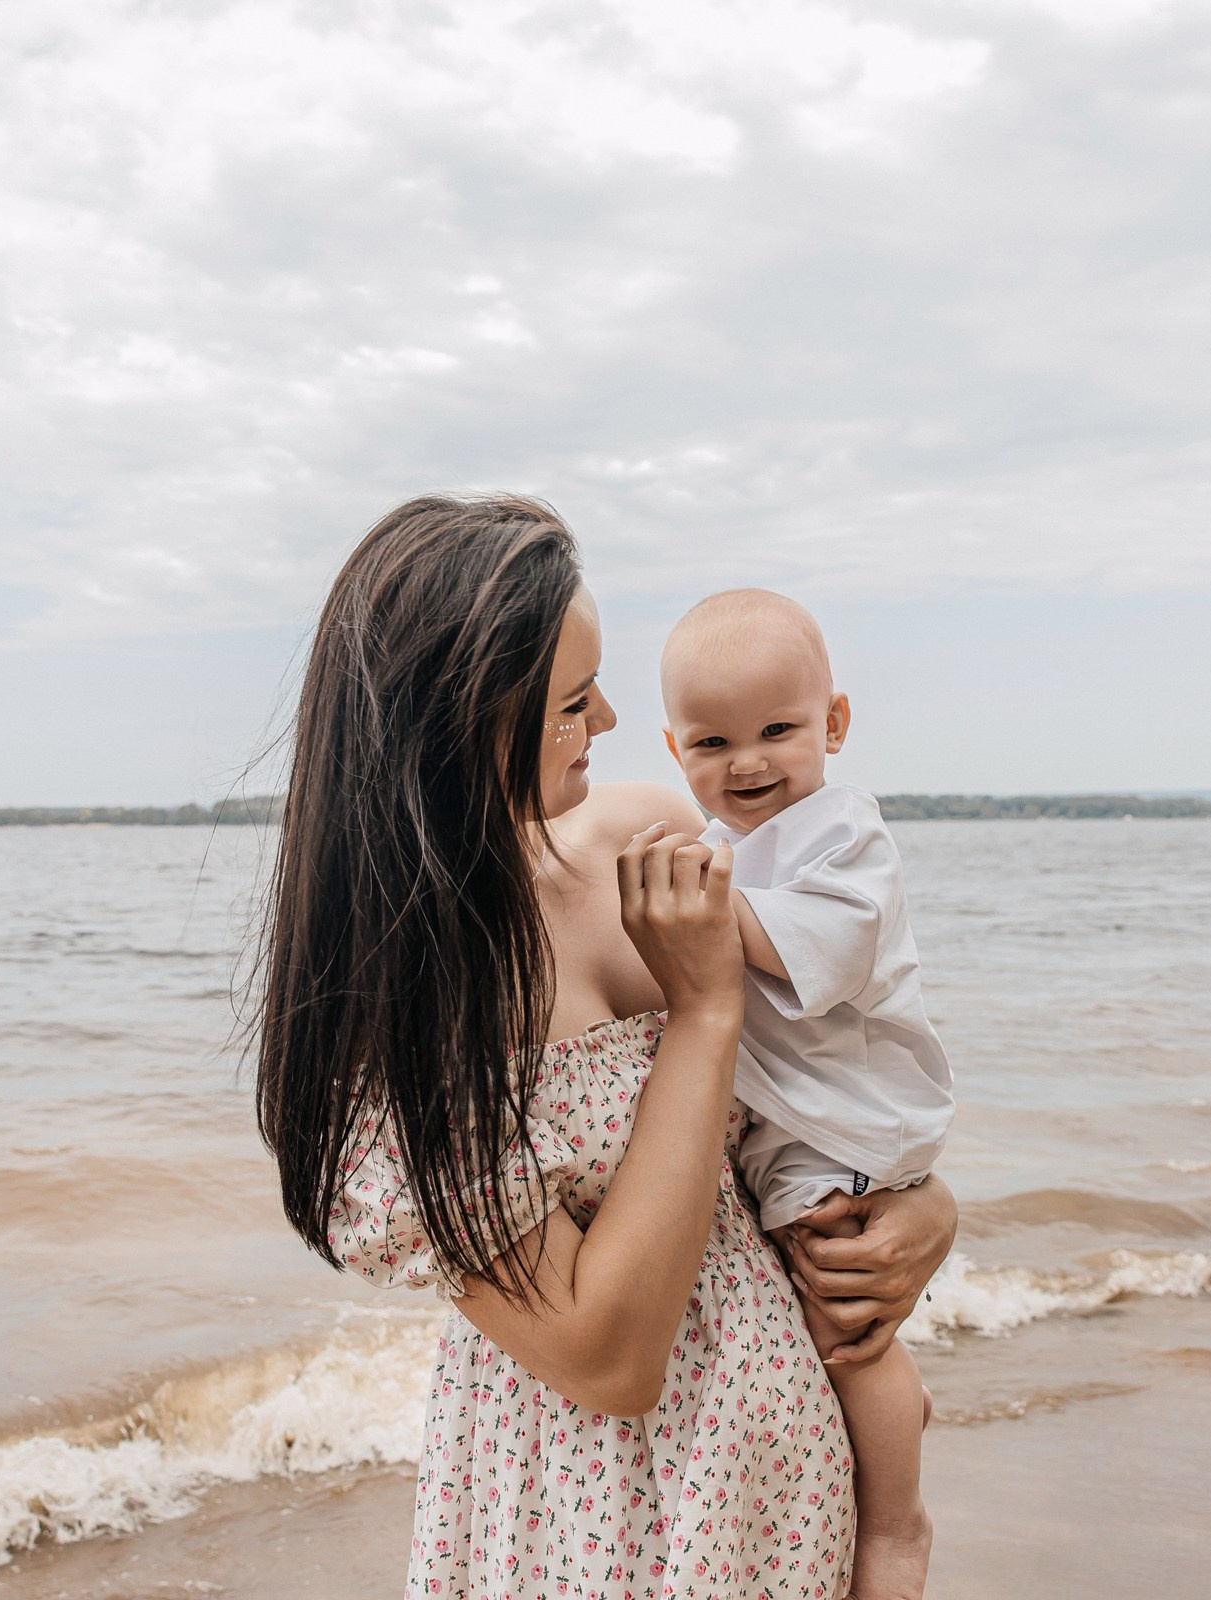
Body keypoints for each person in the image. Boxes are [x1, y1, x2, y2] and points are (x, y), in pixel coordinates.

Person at [256, 494, 960, 1599]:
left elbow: (842, 1042)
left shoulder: (644, 844)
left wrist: (919, 1209)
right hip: (585, 1519)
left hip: (781, 1481)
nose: (618, 720)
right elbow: (612, 1358)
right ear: (469, 722)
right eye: (576, 701)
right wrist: (705, 1012)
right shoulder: (393, 1030)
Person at [661, 588, 957, 1600]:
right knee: (832, 1310)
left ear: (833, 722)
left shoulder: (844, 838)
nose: (747, 762)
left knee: (844, 1320)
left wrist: (692, 903)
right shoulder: (718, 839)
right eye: (713, 740)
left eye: (778, 731)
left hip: (853, 1124)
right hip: (807, 1120)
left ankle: (896, 1529)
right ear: (675, 749)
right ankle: (894, 1408)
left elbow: (817, 942)